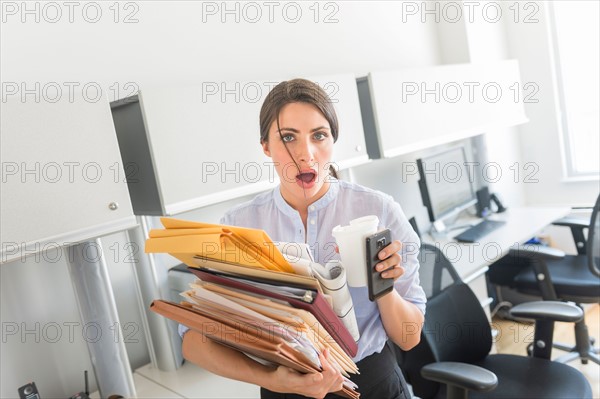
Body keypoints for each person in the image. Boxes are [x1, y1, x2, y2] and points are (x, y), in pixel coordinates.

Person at [181, 78, 426, 399]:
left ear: (333, 141)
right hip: (283, 386)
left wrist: (383, 288)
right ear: (265, 146)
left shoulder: (377, 210)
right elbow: (192, 338)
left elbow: (409, 338)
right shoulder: (238, 227)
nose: (305, 154)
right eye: (288, 138)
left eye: (319, 136)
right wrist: (271, 378)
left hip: (373, 383)